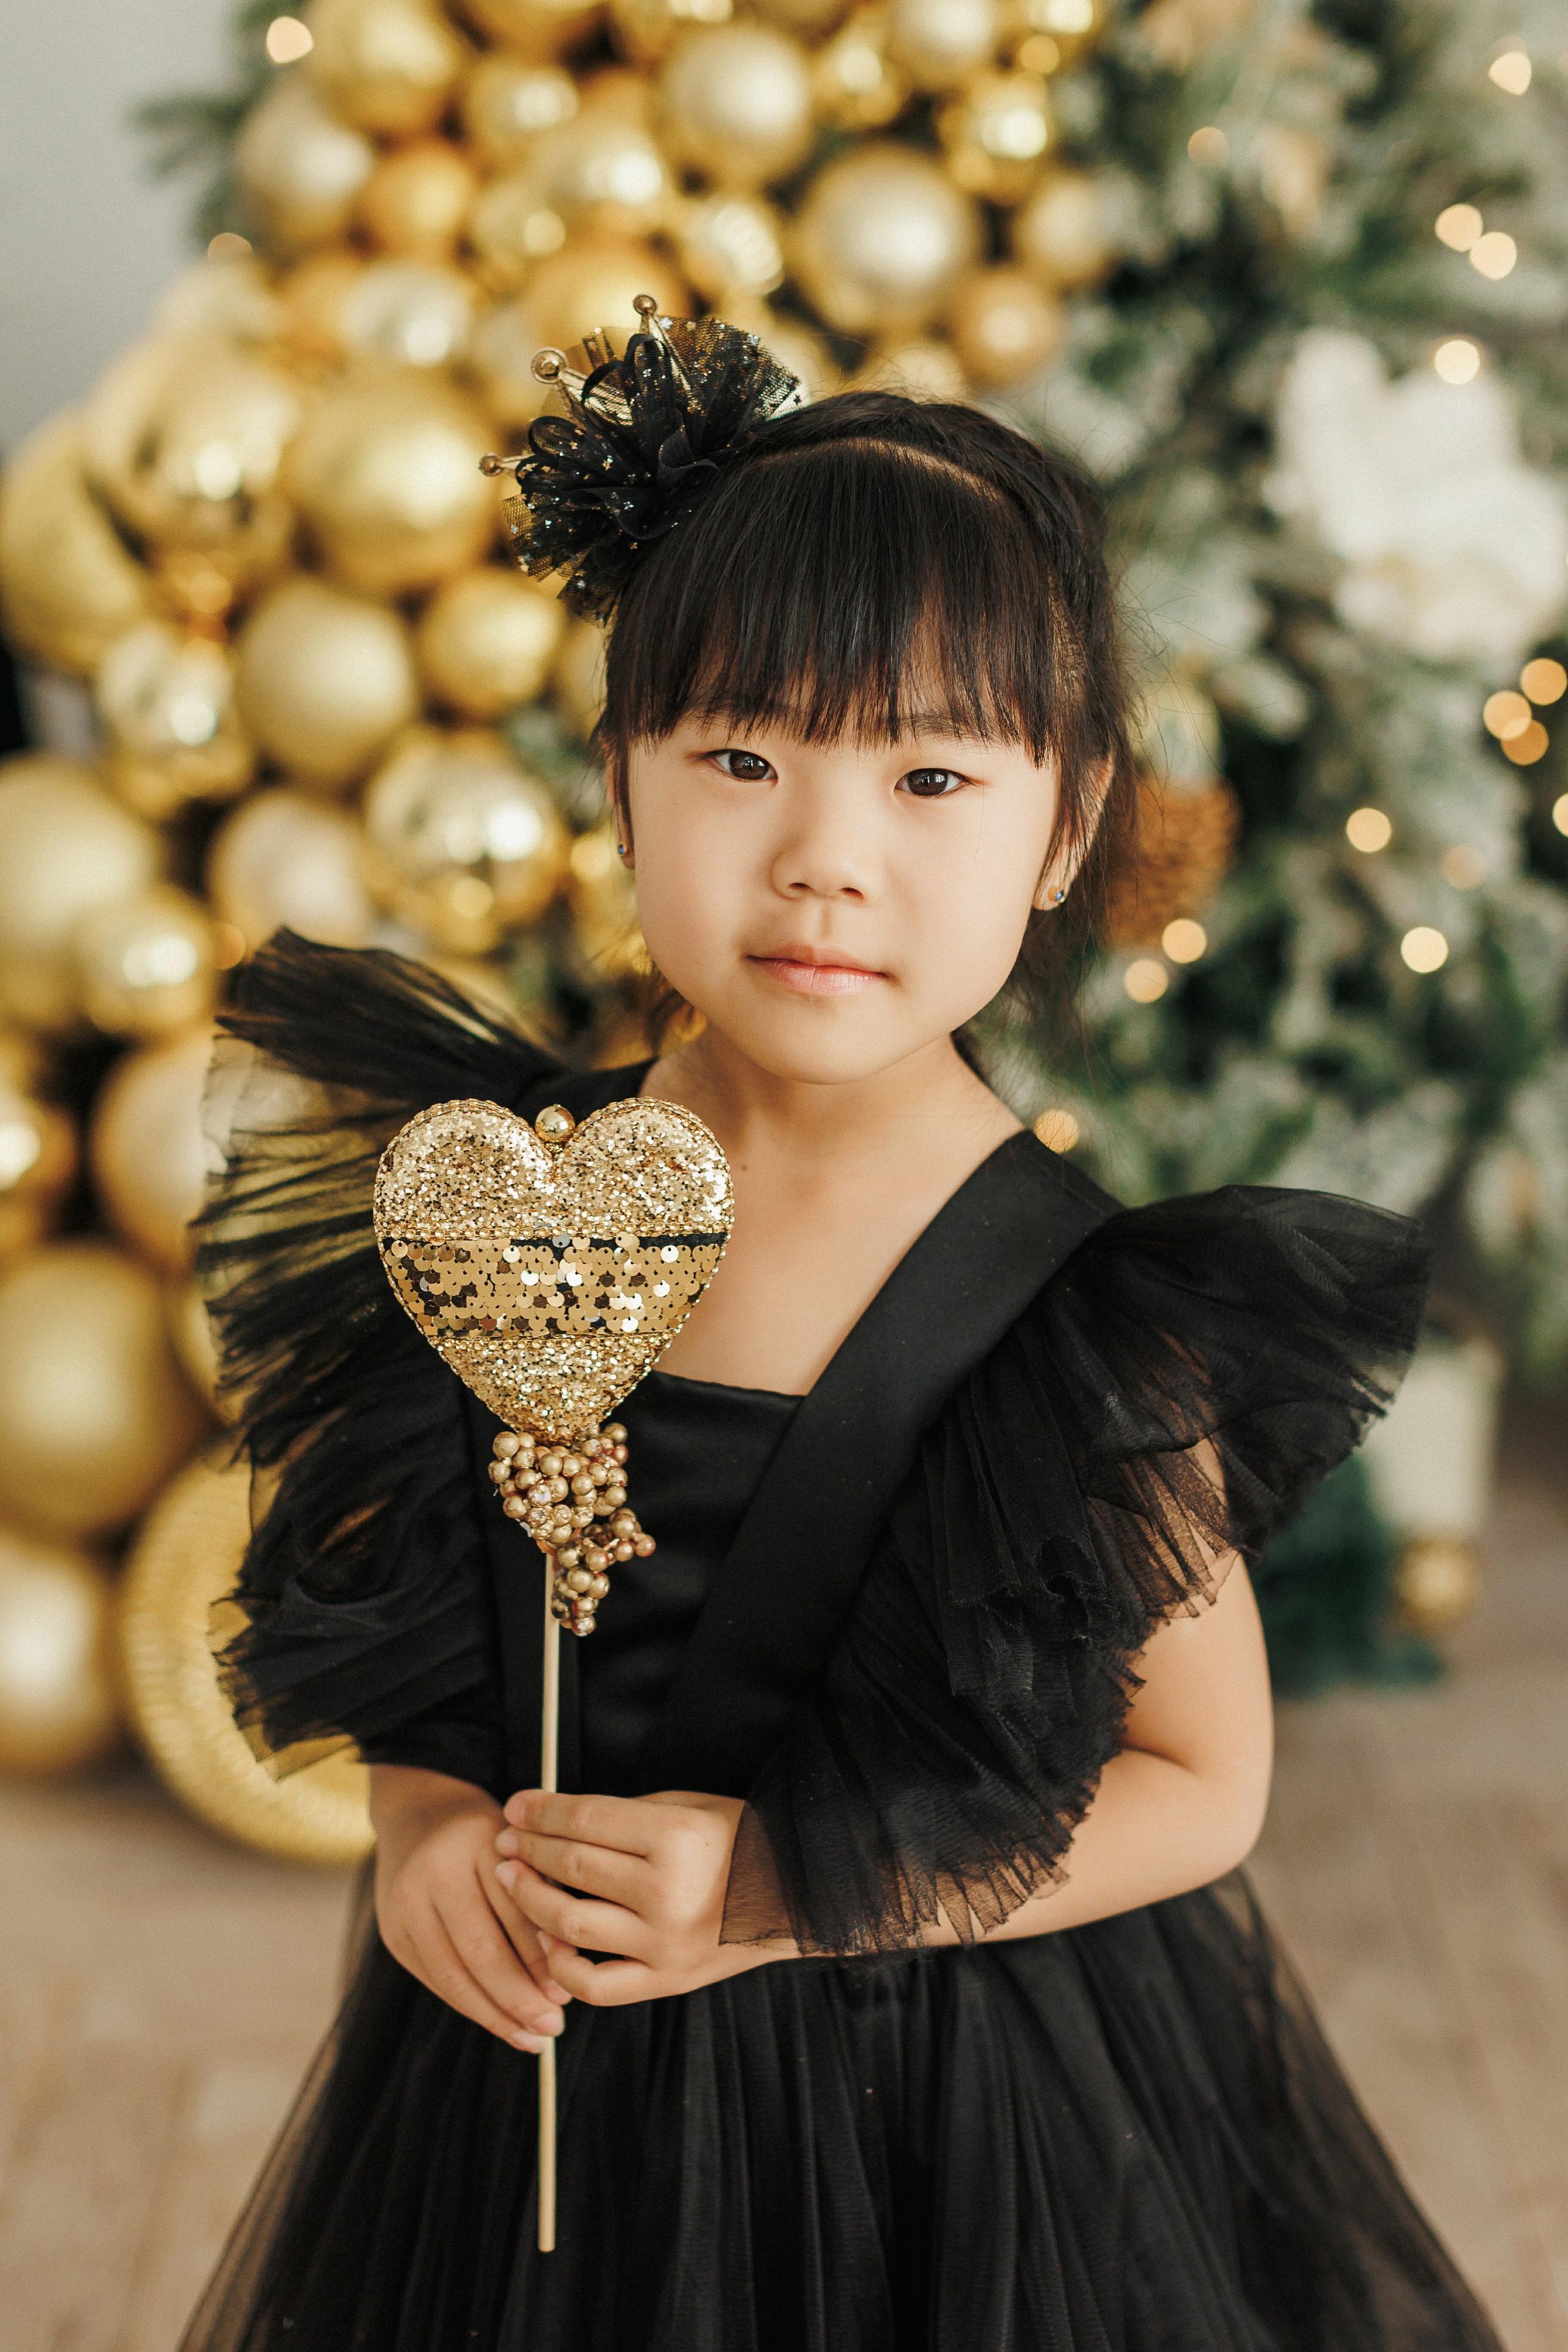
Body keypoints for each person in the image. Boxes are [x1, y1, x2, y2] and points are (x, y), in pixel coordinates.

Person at [183, 313, 1501, 2352]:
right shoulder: (499, 1211)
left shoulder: (1075, 1318)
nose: (824, 856)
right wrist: (430, 1824)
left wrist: (779, 1889)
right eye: (740, 755)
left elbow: (1202, 1780)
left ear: (1063, 834)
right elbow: (432, 1639)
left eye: (932, 773)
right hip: (537, 2081)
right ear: (617, 779)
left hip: (933, 2091)